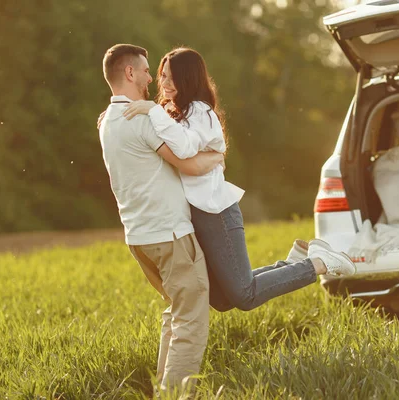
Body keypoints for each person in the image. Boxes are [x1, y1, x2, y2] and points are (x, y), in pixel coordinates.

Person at [122, 47, 356, 312]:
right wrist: (116, 115)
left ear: (189, 79)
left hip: (216, 213)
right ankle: (292, 264)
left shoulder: (200, 112)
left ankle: (316, 263)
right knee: (221, 300)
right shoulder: (171, 112)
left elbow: (185, 149)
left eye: (172, 78)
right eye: (162, 76)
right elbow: (147, 129)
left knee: (244, 295)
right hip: (194, 217)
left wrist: (152, 111)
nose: (164, 84)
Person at [98, 44, 225, 394]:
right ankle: (174, 394)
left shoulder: (105, 121)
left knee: (175, 313)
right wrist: (217, 154)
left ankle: (163, 388)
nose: (148, 78)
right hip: (169, 234)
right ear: (128, 73)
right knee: (191, 321)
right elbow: (187, 160)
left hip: (138, 238)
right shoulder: (139, 117)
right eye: (144, 70)